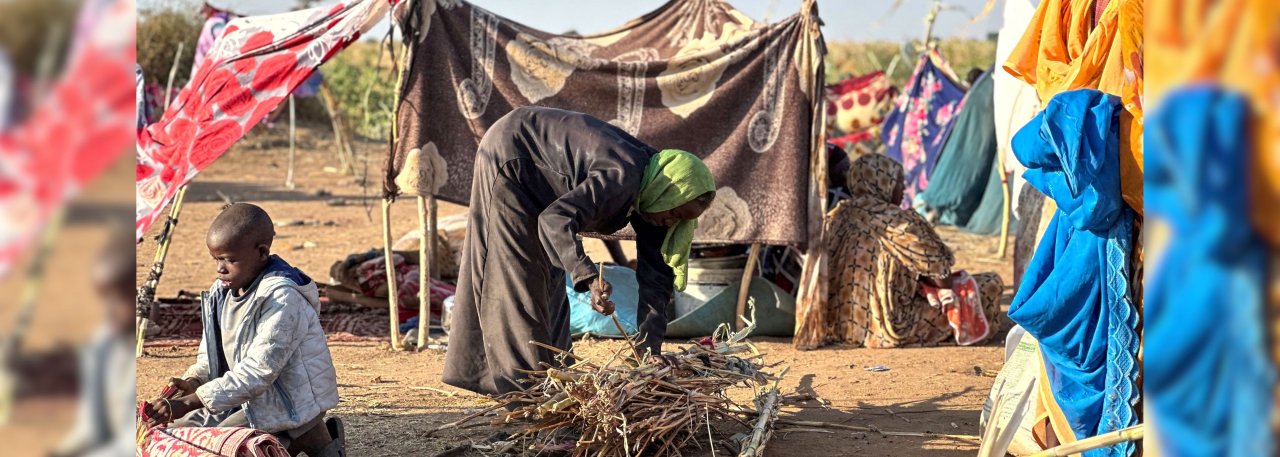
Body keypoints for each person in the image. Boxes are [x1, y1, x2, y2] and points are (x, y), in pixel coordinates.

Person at [444, 106, 715, 396]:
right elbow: (556, 219)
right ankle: (526, 398)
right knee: (520, 280)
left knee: (553, 277)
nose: (669, 222)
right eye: (674, 213)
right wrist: (588, 278)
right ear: (668, 193)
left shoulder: (656, 199)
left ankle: (557, 384)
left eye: (679, 220)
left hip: (541, 182)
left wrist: (649, 350)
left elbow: (656, 280)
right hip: (512, 154)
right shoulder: (622, 175)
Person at [140, 203, 345, 456]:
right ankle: (318, 443)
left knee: (220, 446)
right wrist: (193, 382)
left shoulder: (282, 298)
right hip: (243, 397)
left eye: (229, 259)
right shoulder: (221, 292)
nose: (220, 269)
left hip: (288, 403)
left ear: (261, 252)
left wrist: (189, 403)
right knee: (165, 433)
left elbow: (259, 371)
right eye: (216, 259)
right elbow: (210, 356)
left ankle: (308, 437)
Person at [821, 153, 1003, 348]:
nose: (904, 188)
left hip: (840, 323)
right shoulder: (900, 223)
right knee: (989, 285)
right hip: (891, 326)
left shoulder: (836, 217)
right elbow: (943, 278)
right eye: (898, 182)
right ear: (883, 184)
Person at [50, 228, 136, 457]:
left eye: (119, 298)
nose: (109, 310)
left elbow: (132, 443)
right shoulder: (102, 346)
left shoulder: (139, 352)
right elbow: (89, 428)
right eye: (104, 298)